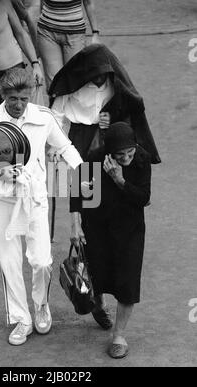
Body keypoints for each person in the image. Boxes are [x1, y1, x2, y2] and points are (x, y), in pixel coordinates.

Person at [0, 67, 83, 346]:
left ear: (31, 95)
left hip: (35, 197)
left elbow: (65, 147)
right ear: (3, 94)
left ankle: (41, 305)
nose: (18, 105)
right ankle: (21, 318)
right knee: (10, 262)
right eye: (13, 98)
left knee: (41, 261)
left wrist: (86, 175)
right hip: (3, 200)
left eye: (24, 99)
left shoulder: (44, 117)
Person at [49, 43, 161, 331]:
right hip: (84, 144)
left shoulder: (116, 84)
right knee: (90, 215)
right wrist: (57, 145)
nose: (101, 80)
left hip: (113, 139)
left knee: (120, 206)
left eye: (104, 75)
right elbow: (58, 115)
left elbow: (132, 104)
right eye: (96, 75)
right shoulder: (73, 88)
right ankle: (96, 300)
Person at [71, 122, 152, 359]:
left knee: (128, 281)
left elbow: (144, 198)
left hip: (130, 229)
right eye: (121, 155)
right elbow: (78, 190)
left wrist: (120, 179)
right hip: (97, 226)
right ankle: (99, 304)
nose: (127, 157)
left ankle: (119, 335)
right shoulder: (95, 158)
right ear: (109, 152)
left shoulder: (141, 159)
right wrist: (75, 223)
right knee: (97, 274)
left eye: (130, 152)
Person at [37, 0, 101, 89]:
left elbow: (88, 3)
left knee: (74, 82)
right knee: (54, 84)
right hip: (47, 33)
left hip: (75, 34)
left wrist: (95, 33)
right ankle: (55, 102)